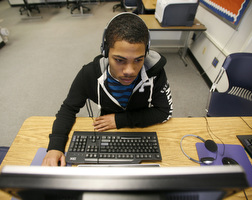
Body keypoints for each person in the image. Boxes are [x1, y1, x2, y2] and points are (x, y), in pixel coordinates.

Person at [42, 12, 173, 166]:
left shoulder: (156, 73)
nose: (130, 71)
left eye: (138, 59)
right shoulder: (89, 74)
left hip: (133, 127)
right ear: (105, 52)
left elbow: (164, 112)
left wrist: (120, 120)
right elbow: (68, 109)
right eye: (119, 60)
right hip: (106, 131)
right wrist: (55, 146)